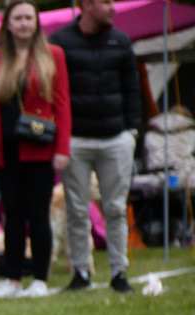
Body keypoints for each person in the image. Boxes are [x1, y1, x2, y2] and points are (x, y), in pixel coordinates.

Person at [0, 0, 71, 297]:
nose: (23, 24)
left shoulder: (53, 55)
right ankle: (13, 279)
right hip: (5, 148)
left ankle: (40, 280)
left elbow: (63, 104)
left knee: (38, 213)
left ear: (36, 22)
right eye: (17, 18)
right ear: (7, 23)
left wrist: (62, 149)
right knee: (13, 214)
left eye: (28, 18)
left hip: (40, 146)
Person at [50, 0, 142, 293]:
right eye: (105, 2)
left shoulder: (121, 40)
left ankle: (119, 272)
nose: (113, 8)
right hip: (75, 139)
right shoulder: (61, 42)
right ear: (86, 5)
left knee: (115, 207)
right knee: (77, 210)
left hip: (116, 137)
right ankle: (81, 272)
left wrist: (132, 131)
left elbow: (133, 87)